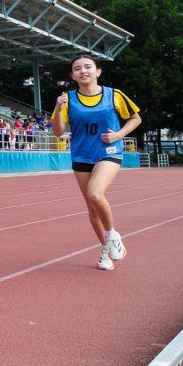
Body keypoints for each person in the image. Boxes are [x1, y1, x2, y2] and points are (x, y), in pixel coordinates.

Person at [52, 54, 141, 271]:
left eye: (88, 67)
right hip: (81, 156)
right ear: (72, 75)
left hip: (108, 152)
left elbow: (136, 118)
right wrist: (57, 107)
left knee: (95, 194)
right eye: (77, 68)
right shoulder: (68, 99)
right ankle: (106, 249)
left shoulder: (114, 95)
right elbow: (58, 132)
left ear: (98, 71)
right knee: (92, 209)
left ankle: (112, 237)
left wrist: (118, 134)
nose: (83, 70)